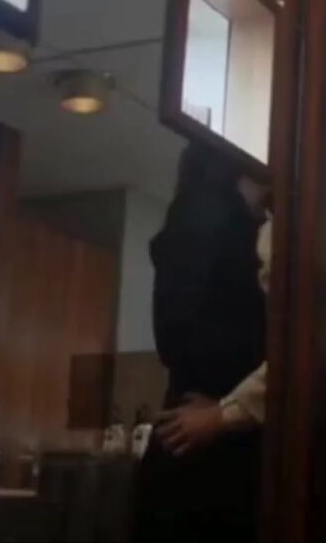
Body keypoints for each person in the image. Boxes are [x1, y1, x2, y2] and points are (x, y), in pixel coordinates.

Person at [133, 141, 269, 542]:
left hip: (198, 429)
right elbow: (185, 335)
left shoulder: (203, 215)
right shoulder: (216, 218)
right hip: (208, 440)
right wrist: (230, 408)